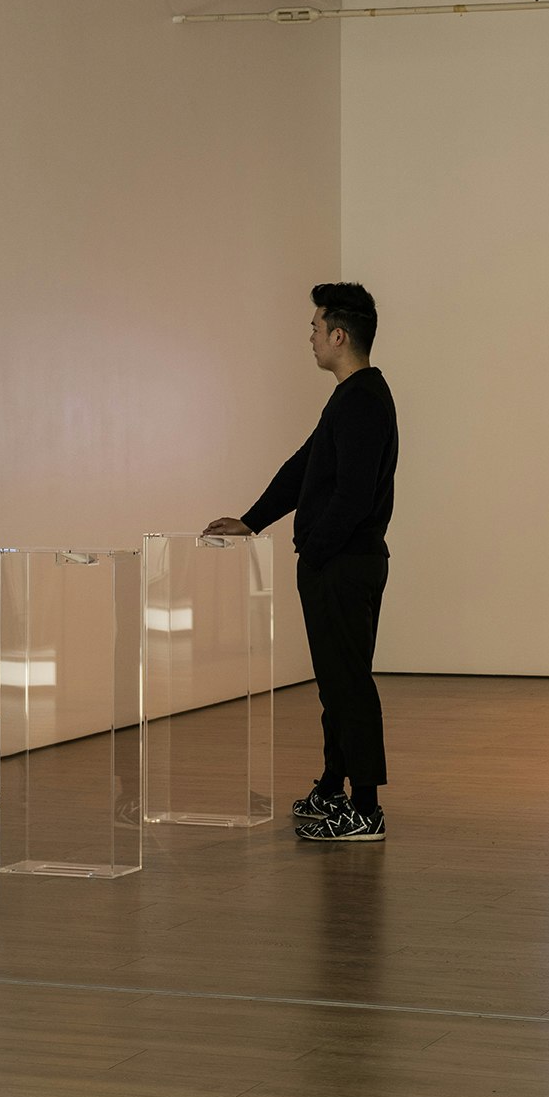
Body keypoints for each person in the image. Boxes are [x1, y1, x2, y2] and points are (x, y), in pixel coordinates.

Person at [206, 283, 399, 843]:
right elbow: (305, 466)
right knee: (337, 684)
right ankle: (334, 787)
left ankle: (365, 809)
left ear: (340, 335)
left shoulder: (363, 399)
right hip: (335, 563)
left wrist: (314, 549)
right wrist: (252, 520)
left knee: (349, 685)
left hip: (343, 564)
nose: (310, 337)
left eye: (316, 327)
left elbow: (355, 495)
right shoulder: (350, 397)